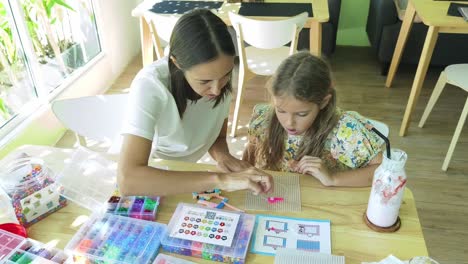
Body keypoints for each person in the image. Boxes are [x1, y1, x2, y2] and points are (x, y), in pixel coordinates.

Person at [118, 9, 273, 196]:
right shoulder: (150, 86)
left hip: (185, 170)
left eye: (226, 75)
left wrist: (223, 156)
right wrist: (220, 180)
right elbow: (128, 180)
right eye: (204, 81)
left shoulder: (217, 76)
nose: (217, 89)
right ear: (176, 63)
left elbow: (216, 136)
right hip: (154, 171)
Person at [243, 52, 384, 187]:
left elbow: (384, 171)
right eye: (281, 110)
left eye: (302, 114)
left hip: (325, 203)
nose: (289, 122)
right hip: (279, 197)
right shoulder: (263, 119)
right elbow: (250, 155)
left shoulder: (345, 131)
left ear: (323, 102)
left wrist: (333, 178)